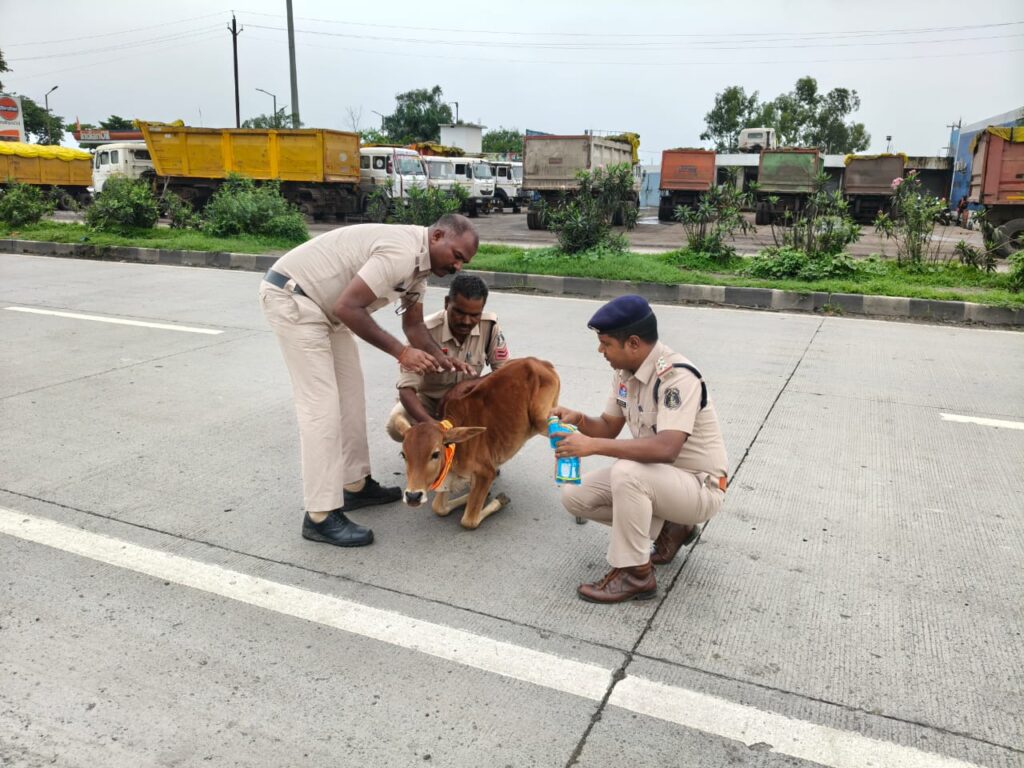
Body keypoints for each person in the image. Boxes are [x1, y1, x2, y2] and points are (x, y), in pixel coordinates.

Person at [259, 214, 478, 549]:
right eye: (457, 256)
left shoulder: (419, 272)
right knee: (321, 411)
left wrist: (441, 356)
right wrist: (401, 353)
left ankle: (355, 486)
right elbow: (349, 307)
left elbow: (414, 327)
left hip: (328, 313)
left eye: (464, 262)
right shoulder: (402, 252)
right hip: (296, 299)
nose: (458, 267)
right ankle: (319, 515)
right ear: (437, 237)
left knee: (351, 400)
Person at [550, 295, 728, 603]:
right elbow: (608, 425)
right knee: (575, 496)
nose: (601, 351)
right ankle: (672, 527)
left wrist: (592, 446)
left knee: (627, 472)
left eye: (606, 344)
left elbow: (667, 448)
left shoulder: (676, 378)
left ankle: (635, 574)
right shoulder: (625, 375)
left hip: (699, 486)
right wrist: (577, 419)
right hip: (660, 480)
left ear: (633, 343)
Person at [385, 273, 510, 442]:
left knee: (509, 406)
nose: (466, 321)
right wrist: (432, 424)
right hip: (430, 402)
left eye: (474, 315)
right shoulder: (422, 332)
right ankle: (424, 446)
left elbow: (505, 373)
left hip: (469, 399)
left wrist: (467, 385)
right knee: (395, 424)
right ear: (446, 303)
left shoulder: (490, 327)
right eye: (459, 312)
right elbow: (406, 391)